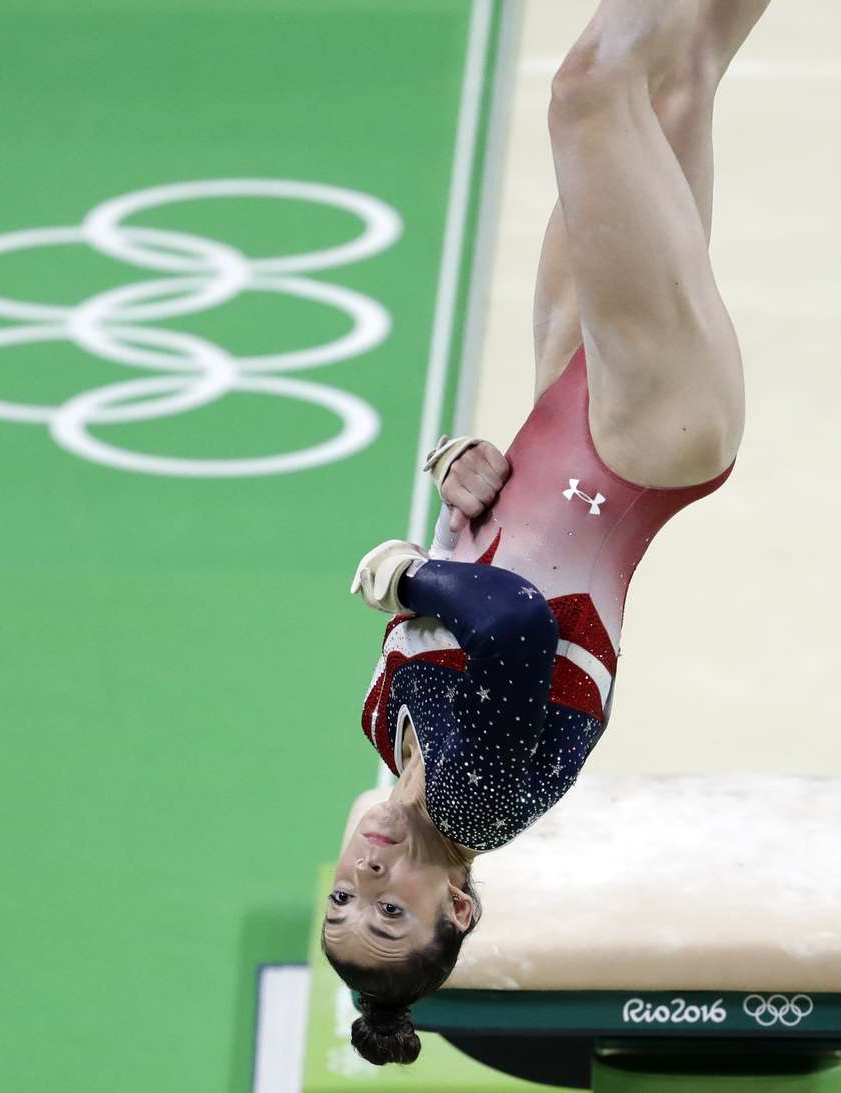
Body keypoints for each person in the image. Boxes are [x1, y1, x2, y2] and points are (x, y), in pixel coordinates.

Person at [324, 0, 772, 1067]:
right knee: (589, 94)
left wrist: (456, 475)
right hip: (645, 436)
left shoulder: (389, 728)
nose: (372, 875)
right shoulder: (484, 799)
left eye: (345, 895)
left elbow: (492, 553)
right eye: (395, 911)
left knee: (677, 80)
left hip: (562, 413)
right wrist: (411, 580)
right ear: (458, 907)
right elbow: (518, 619)